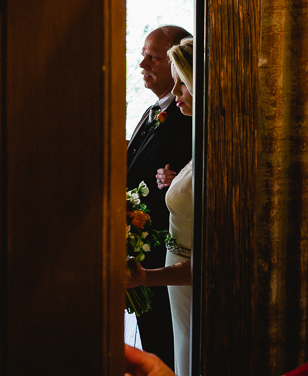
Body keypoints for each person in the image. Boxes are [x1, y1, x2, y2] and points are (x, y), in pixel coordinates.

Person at [128, 37, 195, 376]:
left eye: (152, 58)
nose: (143, 66)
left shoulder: (187, 119)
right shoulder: (154, 110)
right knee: (165, 342)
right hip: (163, 255)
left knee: (175, 346)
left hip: (172, 254)